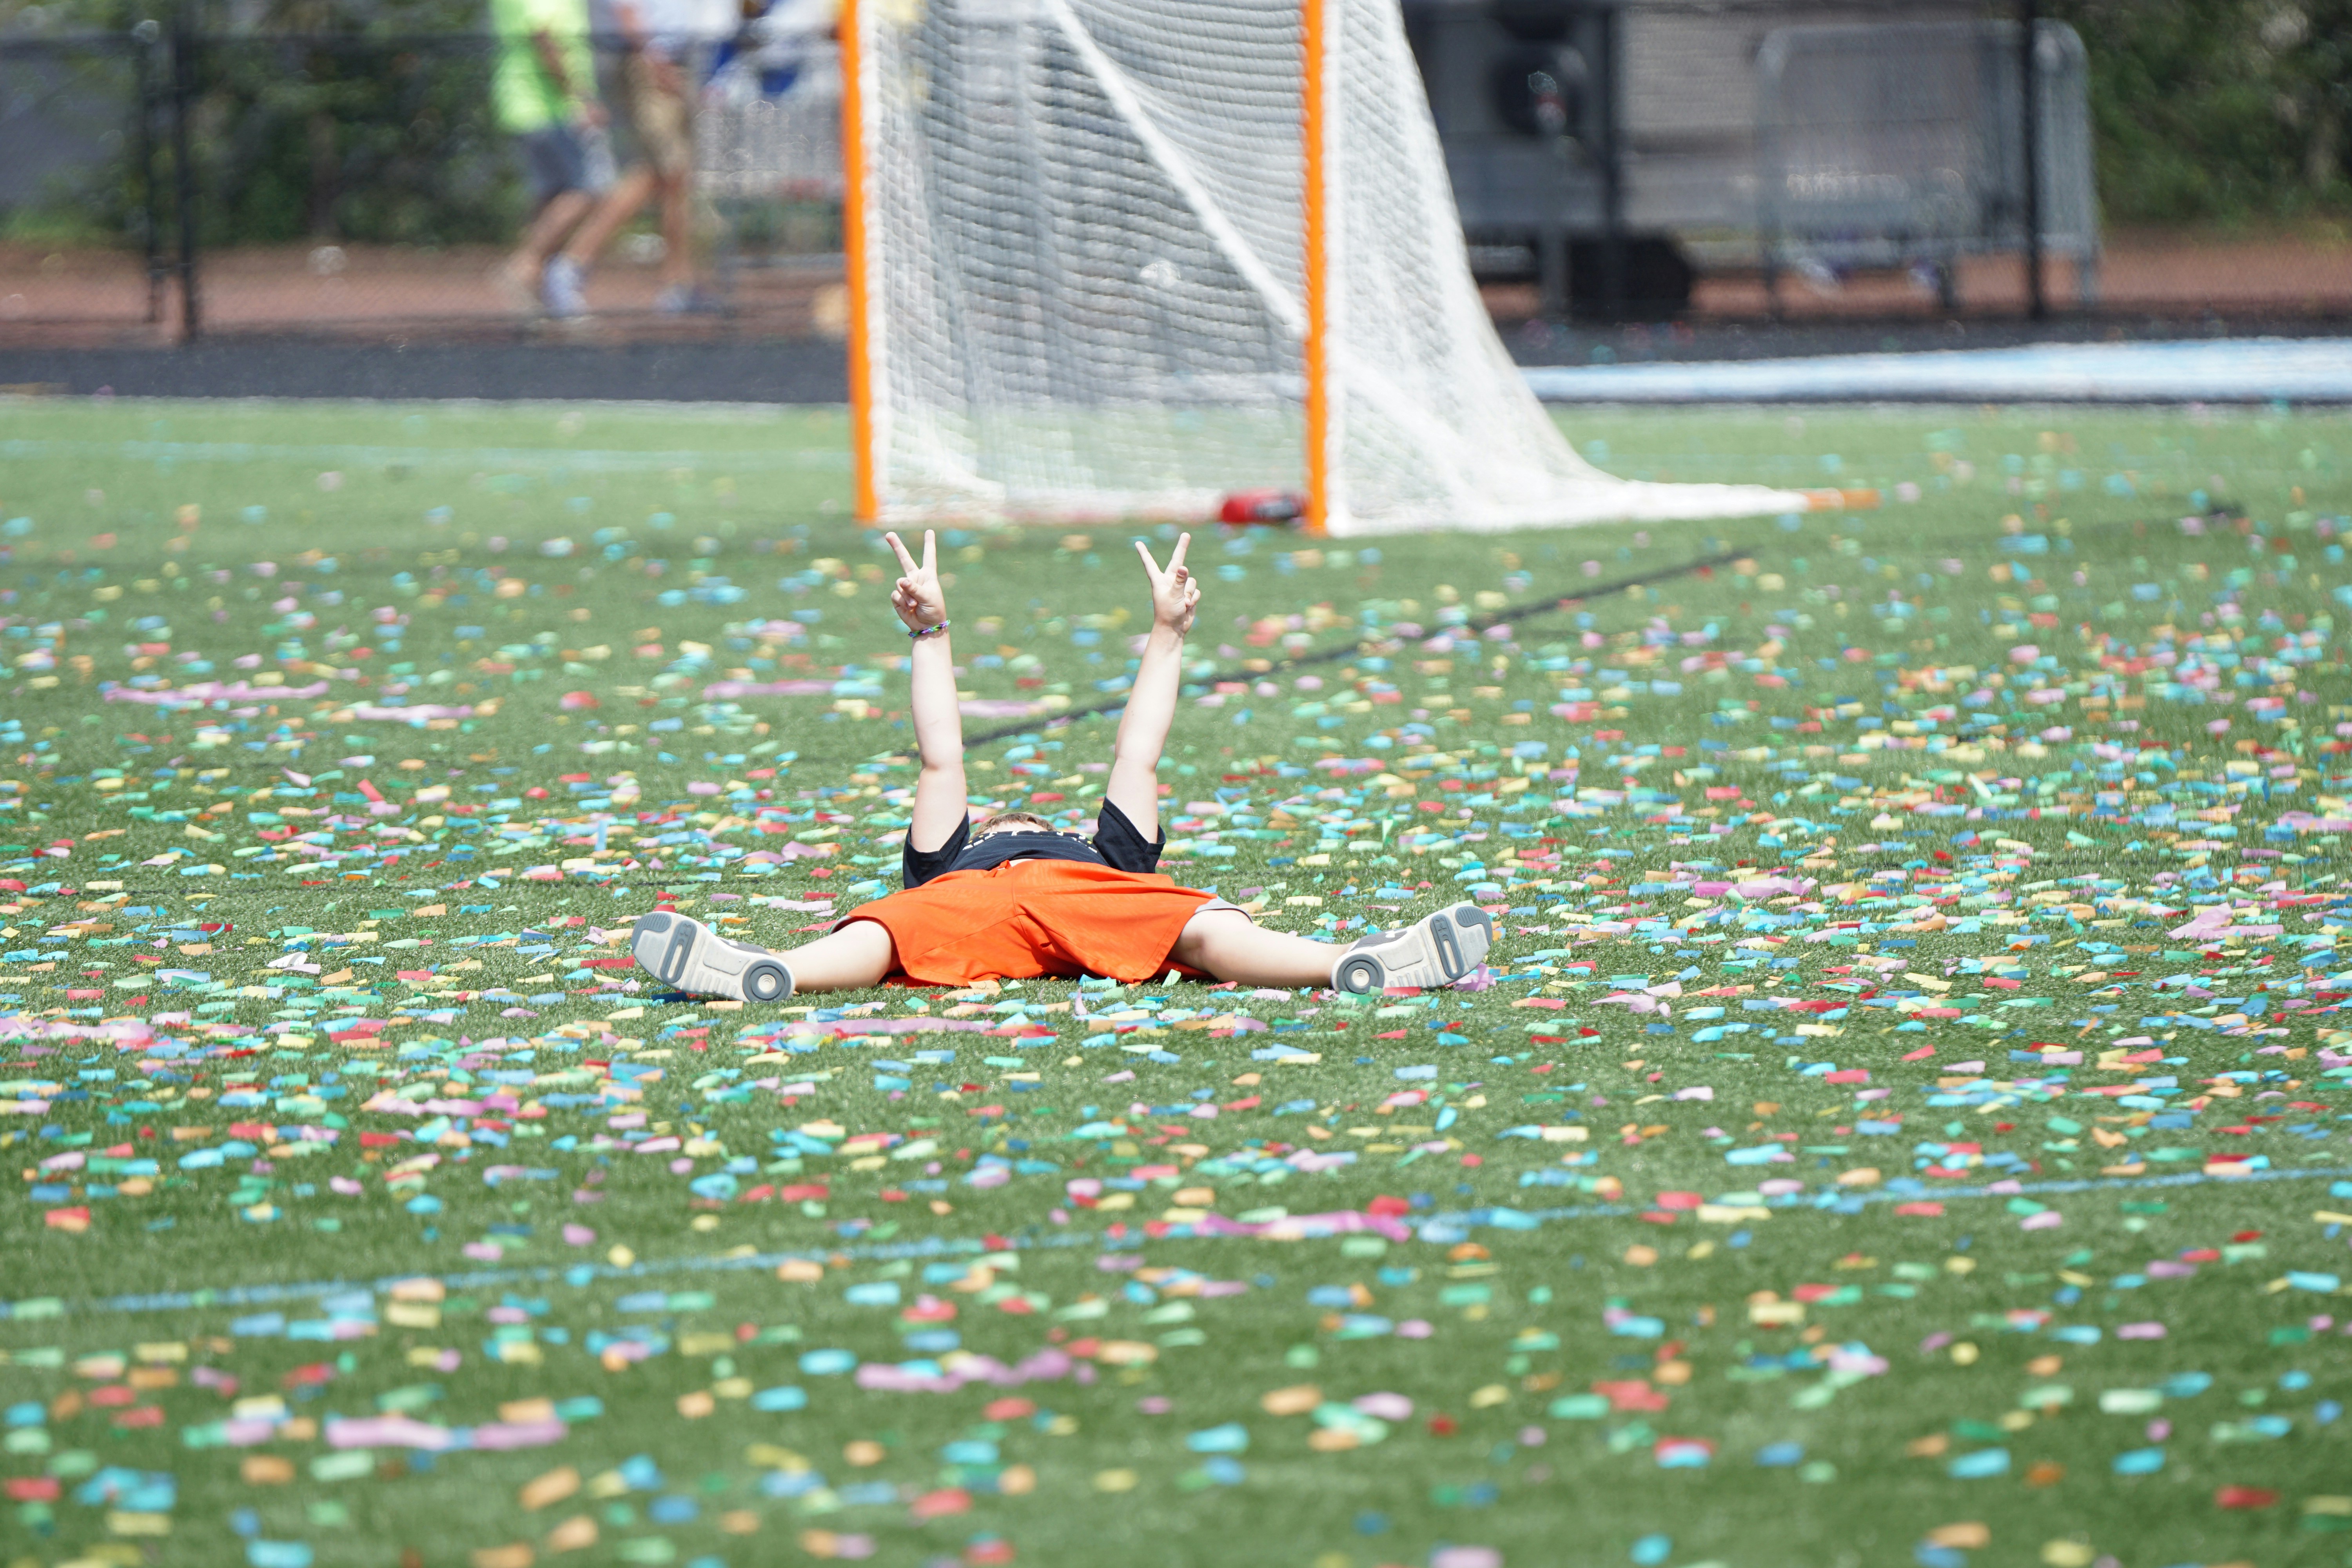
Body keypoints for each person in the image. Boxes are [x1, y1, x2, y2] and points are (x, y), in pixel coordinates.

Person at [629, 530, 1495, 1000]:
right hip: (1018, 905)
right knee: (889, 933)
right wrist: (930, 632)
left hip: (1010, 907)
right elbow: (945, 753)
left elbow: (1134, 748)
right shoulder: (997, 861)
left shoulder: (1067, 857)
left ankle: (1354, 959)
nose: (1009, 816)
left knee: (889, 934)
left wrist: (1170, 632)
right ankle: (760, 968)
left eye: (1012, 817)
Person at [541, 0, 722, 316]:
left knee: (668, 177)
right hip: (652, 64)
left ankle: (678, 283)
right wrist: (653, 59)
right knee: (666, 172)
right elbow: (628, 11)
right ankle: (573, 265)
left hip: (679, 62)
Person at [489, 0, 612, 317]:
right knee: (589, 189)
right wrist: (580, 96)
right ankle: (523, 265)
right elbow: (544, 37)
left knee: (549, 196)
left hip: (527, 104)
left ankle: (534, 291)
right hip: (545, 106)